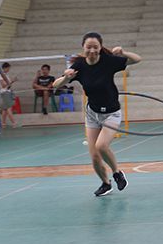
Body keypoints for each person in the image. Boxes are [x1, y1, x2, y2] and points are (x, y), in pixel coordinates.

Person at [52, 32, 141, 197]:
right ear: (83, 47)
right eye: (88, 47)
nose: (92, 50)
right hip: (92, 114)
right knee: (94, 156)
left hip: (111, 113)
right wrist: (66, 78)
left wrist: (124, 53)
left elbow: (137, 59)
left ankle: (117, 173)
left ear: (100, 48)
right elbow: (55, 85)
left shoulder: (109, 61)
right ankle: (106, 184)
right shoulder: (79, 65)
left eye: (95, 47)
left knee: (101, 146)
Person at [0, 62, 20, 129]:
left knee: (5, 109)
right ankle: (14, 123)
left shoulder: (6, 75)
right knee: (9, 108)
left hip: (7, 92)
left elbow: (8, 85)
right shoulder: (0, 75)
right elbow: (3, 85)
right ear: (5, 68)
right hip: (5, 93)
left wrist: (13, 81)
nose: (8, 69)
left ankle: (3, 123)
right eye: (8, 68)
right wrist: (12, 81)